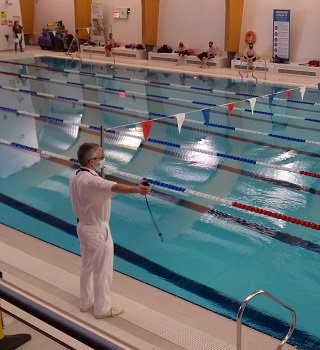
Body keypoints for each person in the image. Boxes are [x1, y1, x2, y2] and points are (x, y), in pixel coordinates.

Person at [69, 142, 151, 319]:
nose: (101, 161)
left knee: (87, 267)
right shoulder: (92, 181)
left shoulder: (74, 175)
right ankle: (102, 309)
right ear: (91, 161)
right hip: (98, 230)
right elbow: (114, 187)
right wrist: (138, 189)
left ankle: (86, 302)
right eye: (100, 158)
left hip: (82, 227)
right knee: (103, 271)